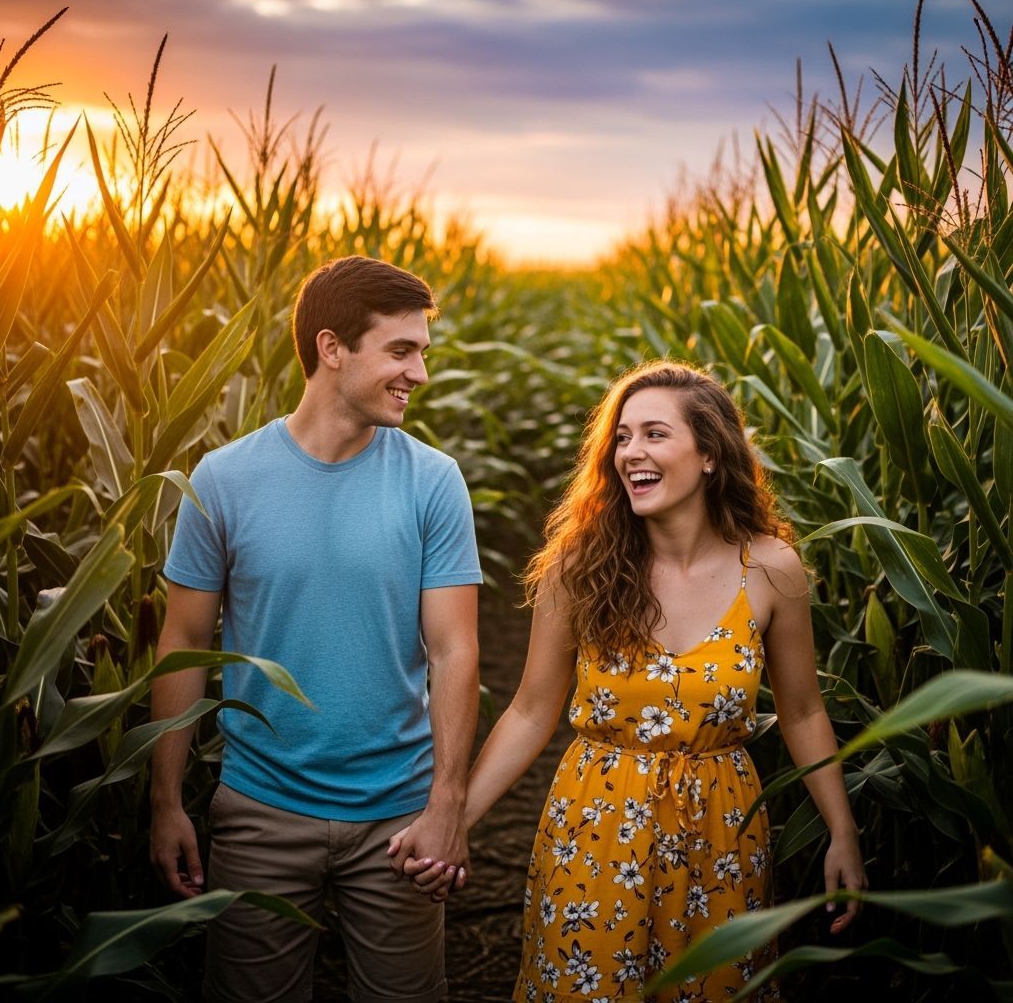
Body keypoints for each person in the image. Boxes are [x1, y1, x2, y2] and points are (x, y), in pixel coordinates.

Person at [391, 359, 866, 1001]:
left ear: (709, 455)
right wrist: (454, 822)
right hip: (598, 826)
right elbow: (531, 711)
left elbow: (804, 711)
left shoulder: (772, 569)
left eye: (654, 434)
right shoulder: (580, 567)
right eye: (621, 436)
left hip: (721, 834)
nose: (630, 452)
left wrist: (841, 830)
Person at [149, 255, 482, 1003]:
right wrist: (165, 801)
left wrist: (446, 805)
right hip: (261, 810)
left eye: (423, 352)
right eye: (402, 350)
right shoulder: (224, 480)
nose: (420, 373)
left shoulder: (434, 481)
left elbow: (456, 650)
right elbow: (182, 646)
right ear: (332, 348)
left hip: (398, 818)